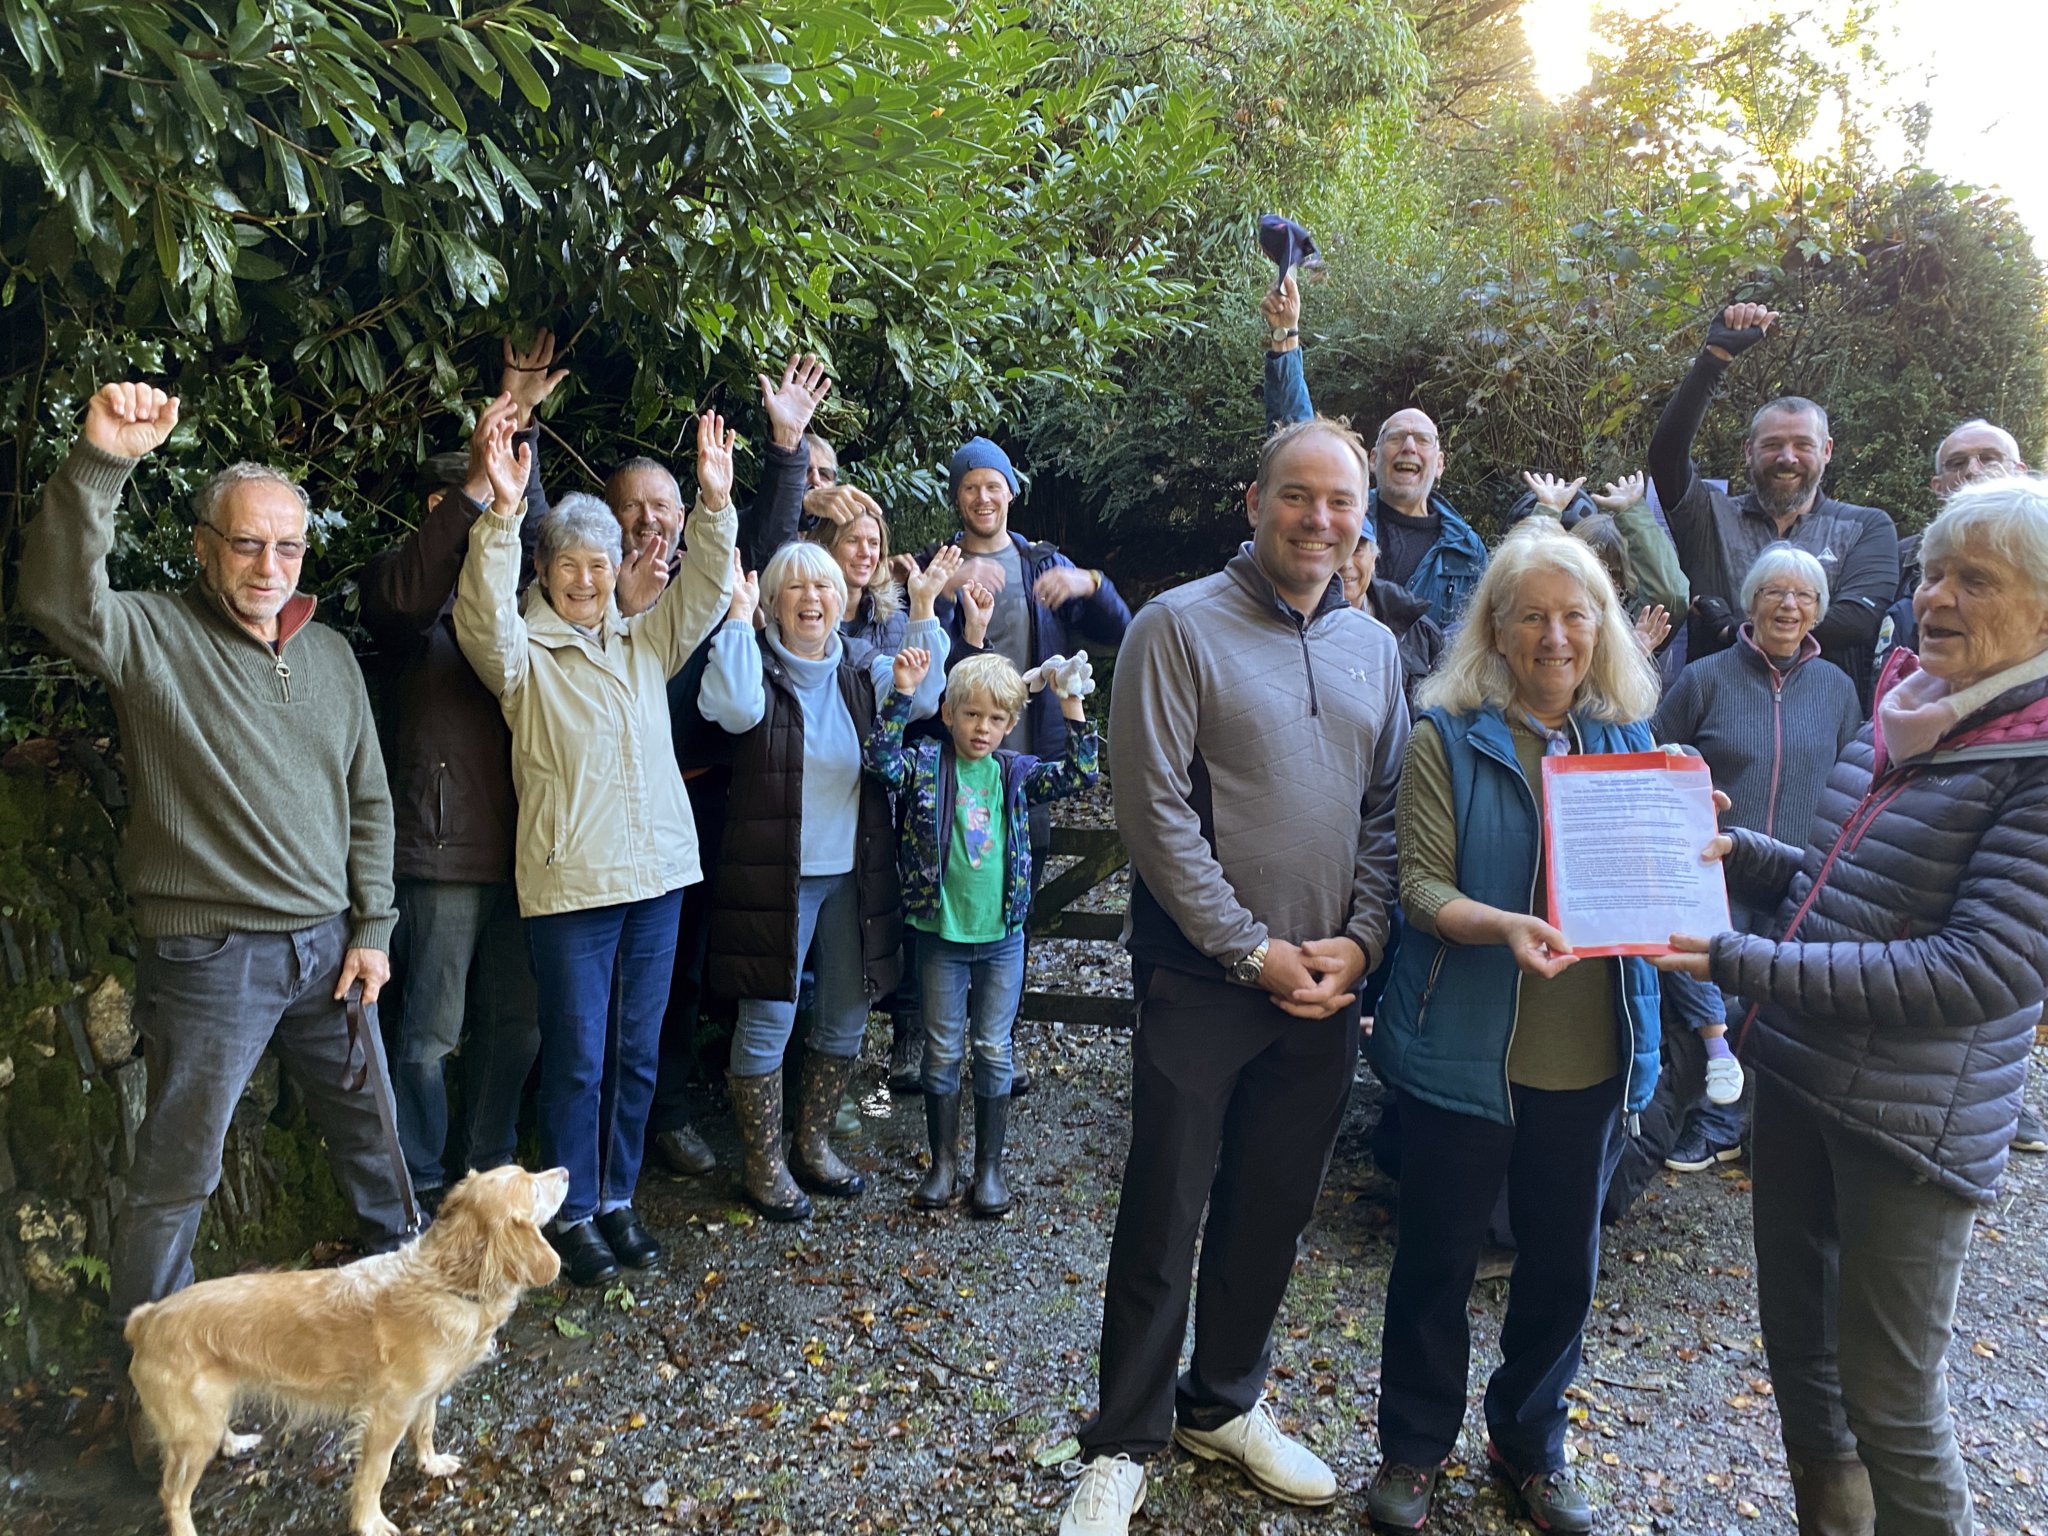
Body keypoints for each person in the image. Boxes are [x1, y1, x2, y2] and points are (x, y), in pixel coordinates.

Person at [1655, 473, 2048, 1536]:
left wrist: (1745, 964)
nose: (1936, 598)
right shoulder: (1915, 713)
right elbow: (1850, 885)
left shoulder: (2032, 757)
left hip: (1908, 1129)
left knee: (1891, 1398)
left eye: (1976, 579)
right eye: (1930, 574)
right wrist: (1753, 855)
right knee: (1804, 1369)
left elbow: (1980, 966)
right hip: (1804, 1082)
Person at [1055, 416, 1406, 1536]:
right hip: (1203, 981)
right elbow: (1150, 812)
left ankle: (1222, 1403)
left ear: (1360, 519)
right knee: (1165, 1209)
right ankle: (1122, 1440)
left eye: (1338, 502)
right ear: (1252, 502)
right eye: (1296, 496)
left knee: (1268, 1210)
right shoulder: (1176, 628)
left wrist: (1359, 943)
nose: (1318, 519)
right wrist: (1251, 951)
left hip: (1325, 988)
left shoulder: (1374, 649)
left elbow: (1388, 814)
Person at [20, 383, 413, 1330]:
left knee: (376, 1144)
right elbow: (55, 599)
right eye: (246, 543)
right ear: (204, 547)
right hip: (210, 957)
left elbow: (368, 800)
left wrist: (373, 927)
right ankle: (155, 1385)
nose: (268, 564)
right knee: (178, 1173)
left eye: (286, 546)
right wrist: (101, 464)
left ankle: (413, 1327)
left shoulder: (329, 657)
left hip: (329, 950)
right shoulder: (153, 634)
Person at [1362, 521, 1664, 1534]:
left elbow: (1656, 900)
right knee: (1436, 1261)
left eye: (1573, 614)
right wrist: (1502, 924)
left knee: (1561, 1269)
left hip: (1585, 1057)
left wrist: (1685, 870)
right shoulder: (1443, 735)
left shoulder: (1631, 747)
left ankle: (1528, 1443)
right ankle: (1410, 1447)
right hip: (1464, 1049)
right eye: (1529, 615)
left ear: (1601, 627)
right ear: (1492, 628)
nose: (1553, 636)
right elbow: (1416, 888)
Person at [453, 410, 736, 1287]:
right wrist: (502, 517)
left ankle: (615, 1198)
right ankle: (569, 1214)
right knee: (576, 1058)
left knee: (636, 1051)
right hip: (571, 884)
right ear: (544, 570)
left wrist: (716, 505)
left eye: (599, 563)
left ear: (618, 571)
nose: (585, 578)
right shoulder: (520, 653)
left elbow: (705, 593)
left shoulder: (641, 639)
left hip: (656, 877)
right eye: (569, 563)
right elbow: (477, 615)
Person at [358, 335, 564, 1211]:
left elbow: (548, 543)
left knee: (516, 1030)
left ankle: (484, 1173)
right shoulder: (403, 599)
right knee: (429, 1037)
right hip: (439, 853)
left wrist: (518, 427)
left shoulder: (526, 610)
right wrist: (481, 478)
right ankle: (424, 1185)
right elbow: (408, 593)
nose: (485, 511)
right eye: (465, 499)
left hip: (528, 851)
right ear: (442, 507)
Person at [698, 541, 954, 1220]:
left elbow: (926, 697)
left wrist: (924, 609)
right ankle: (763, 1164)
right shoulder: (755, 663)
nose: (811, 599)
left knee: (844, 1011)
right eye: (795, 589)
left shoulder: (862, 669)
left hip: (855, 874)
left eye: (824, 588)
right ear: (775, 603)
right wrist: (735, 618)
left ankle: (811, 1145)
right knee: (768, 1019)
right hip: (774, 875)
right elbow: (729, 709)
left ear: (842, 601)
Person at [634, 356, 833, 1181]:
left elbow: (762, 551)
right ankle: (623, 1130)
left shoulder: (708, 582)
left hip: (710, 802)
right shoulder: (594, 593)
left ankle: (675, 1113)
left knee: (690, 966)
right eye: (633, 511)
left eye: (663, 509)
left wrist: (787, 448)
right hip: (616, 807)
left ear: (686, 517)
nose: (650, 525)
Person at [864, 649, 1100, 1216]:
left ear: (1011, 724)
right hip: (941, 938)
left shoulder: (1014, 775)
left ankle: (989, 1170)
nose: (982, 728)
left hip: (1001, 940)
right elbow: (879, 761)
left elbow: (1082, 773)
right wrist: (901, 693)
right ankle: (943, 1164)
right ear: (948, 714)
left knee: (993, 1047)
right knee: (942, 1047)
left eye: (996, 719)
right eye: (971, 715)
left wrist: (1072, 705)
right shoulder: (925, 764)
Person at [1652, 544, 1860, 1175]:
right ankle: (1713, 1118)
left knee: (1782, 1001)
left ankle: (1754, 1122)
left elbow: (1854, 775)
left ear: (1819, 611)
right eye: (1774, 592)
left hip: (1799, 871)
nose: (1788, 606)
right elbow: (1658, 755)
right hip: (1714, 867)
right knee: (1713, 988)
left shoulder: (1838, 687)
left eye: (1802, 596)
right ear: (1751, 602)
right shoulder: (1705, 676)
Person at [934, 434, 1132, 1092]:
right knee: (943, 897)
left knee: (1016, 906)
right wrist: (948, 585)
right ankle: (933, 1046)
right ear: (957, 497)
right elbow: (903, 629)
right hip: (951, 769)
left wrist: (1090, 581)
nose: (983, 497)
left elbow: (1120, 630)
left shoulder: (1042, 561)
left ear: (1011, 492)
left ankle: (996, 1048)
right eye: (970, 487)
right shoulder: (939, 565)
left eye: (993, 485)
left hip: (1025, 773)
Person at [1648, 301, 1899, 704]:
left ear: (1827, 450)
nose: (1787, 458)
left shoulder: (1866, 526)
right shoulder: (1711, 514)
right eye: (1772, 445)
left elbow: (1857, 619)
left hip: (1821, 723)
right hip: (1714, 714)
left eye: (1803, 445)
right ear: (1748, 451)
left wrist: (1736, 630)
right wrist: (1714, 359)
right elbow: (1666, 455)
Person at [1261, 273, 1487, 626]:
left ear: (1440, 464)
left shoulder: (1467, 549)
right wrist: (1285, 337)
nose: (1409, 446)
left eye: (1422, 440)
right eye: (1395, 437)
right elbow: (1299, 444)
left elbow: (1474, 640)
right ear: (1372, 458)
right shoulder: (1342, 516)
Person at [1341, 531, 1444, 708]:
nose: (1346, 564)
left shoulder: (1419, 632)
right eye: (1338, 550)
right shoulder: (1298, 629)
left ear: (1373, 559)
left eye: (1357, 550)